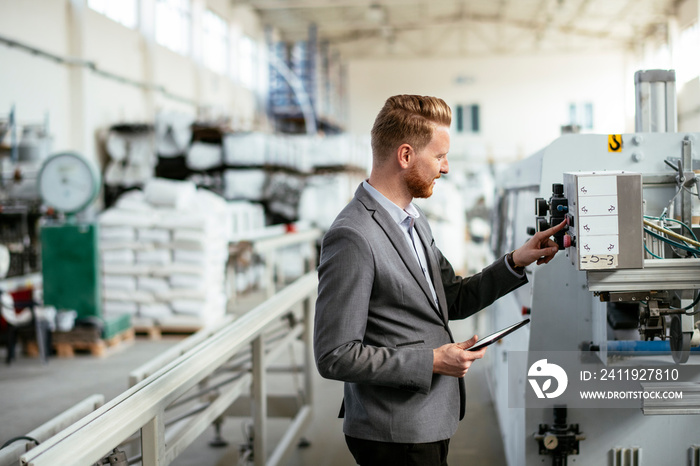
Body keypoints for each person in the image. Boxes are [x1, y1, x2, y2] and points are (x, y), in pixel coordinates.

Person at [313, 94, 565, 466]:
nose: (445, 168)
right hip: (394, 433)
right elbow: (335, 355)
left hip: (426, 421)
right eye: (440, 156)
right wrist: (430, 361)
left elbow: (452, 298)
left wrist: (515, 261)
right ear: (405, 155)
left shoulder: (413, 220)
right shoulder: (353, 235)